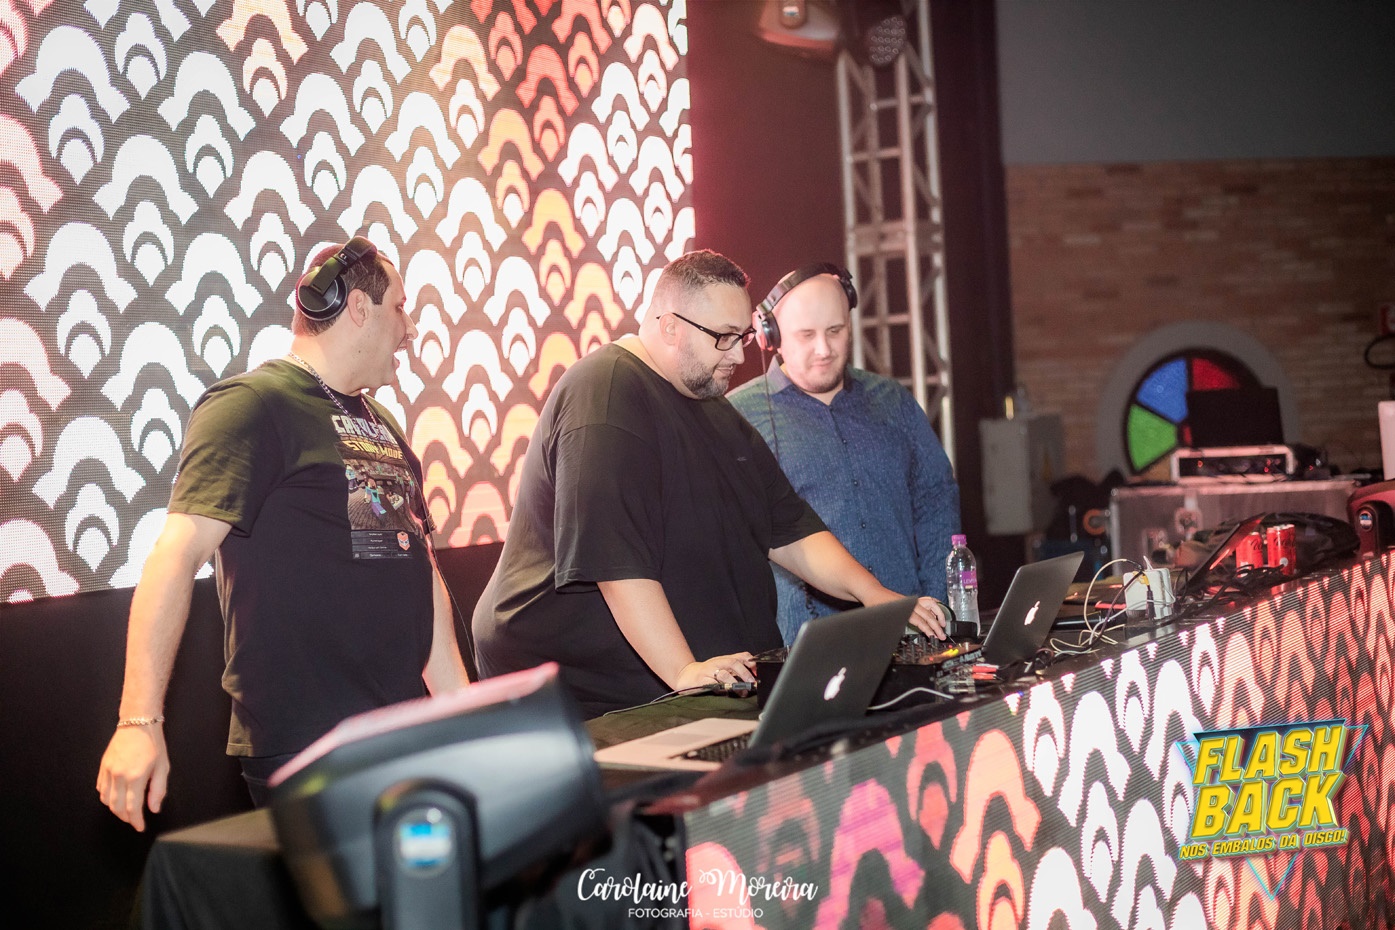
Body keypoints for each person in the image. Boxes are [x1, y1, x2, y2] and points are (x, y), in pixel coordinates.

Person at [472, 250, 946, 717]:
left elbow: (789, 528)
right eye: (723, 338)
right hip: (573, 691)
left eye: (742, 337)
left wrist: (875, 596)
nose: (738, 355)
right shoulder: (606, 397)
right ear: (669, 326)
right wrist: (682, 670)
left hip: (652, 680)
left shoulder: (711, 407)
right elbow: (615, 563)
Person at [96, 238, 471, 828]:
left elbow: (416, 571)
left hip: (399, 730)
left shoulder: (381, 423)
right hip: (310, 746)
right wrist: (138, 722)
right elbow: (175, 554)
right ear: (358, 308)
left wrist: (463, 713)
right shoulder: (252, 404)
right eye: (400, 308)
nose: (410, 329)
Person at [728, 264, 961, 645]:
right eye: (806, 335)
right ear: (773, 336)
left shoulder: (893, 402)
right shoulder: (739, 416)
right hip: (804, 647)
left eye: (835, 331)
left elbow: (936, 502)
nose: (824, 349)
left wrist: (936, 605)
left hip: (909, 633)